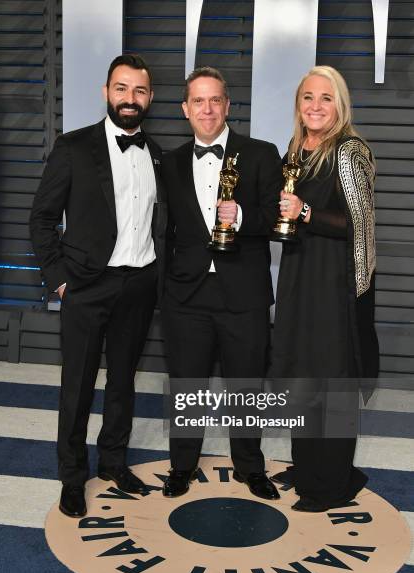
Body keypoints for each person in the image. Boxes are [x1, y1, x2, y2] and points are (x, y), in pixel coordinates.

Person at [30, 54, 166, 517]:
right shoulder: (73, 147)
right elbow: (43, 219)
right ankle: (72, 476)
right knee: (78, 386)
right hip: (86, 286)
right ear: (107, 92)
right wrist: (60, 281)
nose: (131, 99)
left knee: (124, 382)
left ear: (150, 97)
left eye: (140, 91)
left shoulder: (158, 154)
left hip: (140, 283)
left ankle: (112, 462)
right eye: (122, 89)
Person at [161, 66, 283, 499]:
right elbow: (164, 231)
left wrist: (244, 218)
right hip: (186, 294)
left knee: (247, 385)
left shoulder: (262, 153)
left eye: (215, 100)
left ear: (228, 106)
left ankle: (251, 467)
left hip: (244, 293)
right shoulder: (170, 162)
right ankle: (181, 466)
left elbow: (276, 217)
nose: (207, 109)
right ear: (185, 109)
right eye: (198, 101)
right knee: (187, 385)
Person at [269, 65, 379, 512]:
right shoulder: (296, 148)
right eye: (308, 97)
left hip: (333, 285)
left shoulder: (350, 151)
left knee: (331, 383)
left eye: (326, 98)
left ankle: (331, 482)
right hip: (299, 277)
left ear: (340, 104)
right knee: (301, 376)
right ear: (298, 104)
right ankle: (308, 463)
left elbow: (358, 225)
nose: (315, 106)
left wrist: (306, 211)